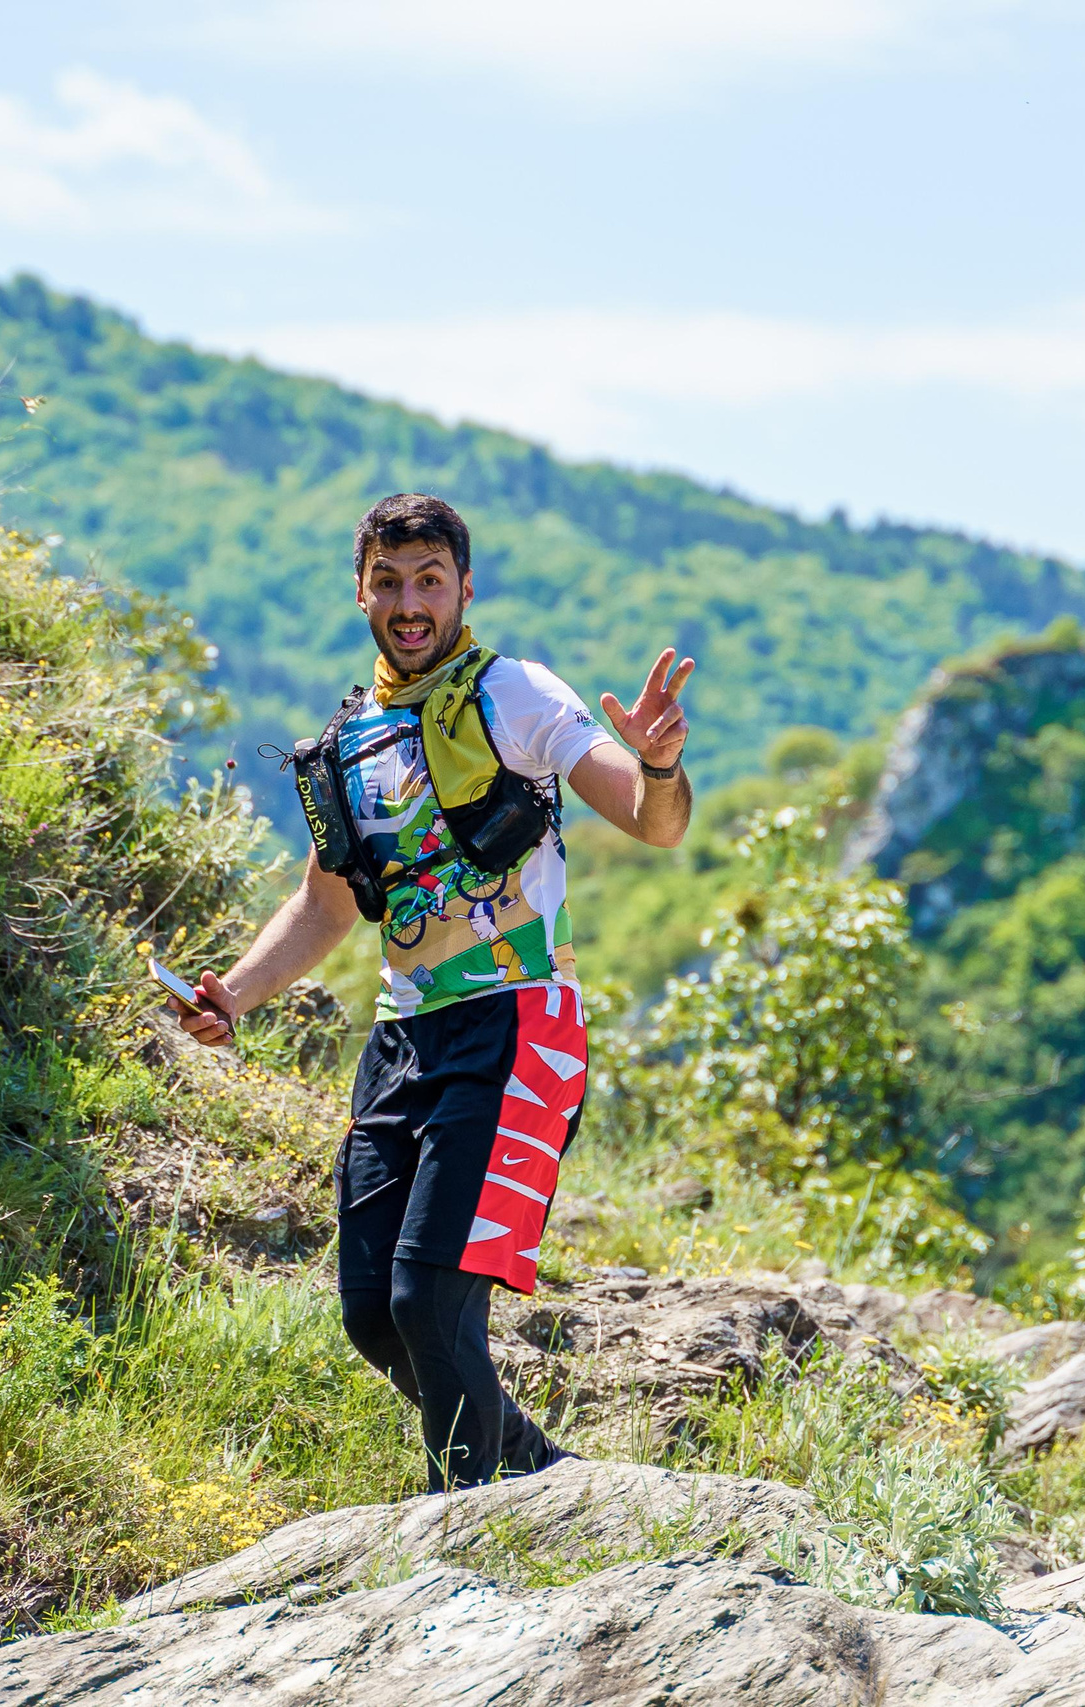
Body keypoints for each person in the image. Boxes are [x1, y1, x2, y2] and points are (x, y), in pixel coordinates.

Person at [169, 492, 693, 1488]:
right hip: (403, 1040)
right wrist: (230, 995)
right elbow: (325, 908)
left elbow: (652, 820)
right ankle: (541, 1480)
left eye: (429, 582)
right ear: (359, 591)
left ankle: (470, 1534)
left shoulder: (519, 695)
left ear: (462, 588)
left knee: (429, 1296)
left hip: (515, 1025)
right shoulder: (346, 743)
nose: (410, 604)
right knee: (373, 1312)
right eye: (389, 583)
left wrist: (659, 765)